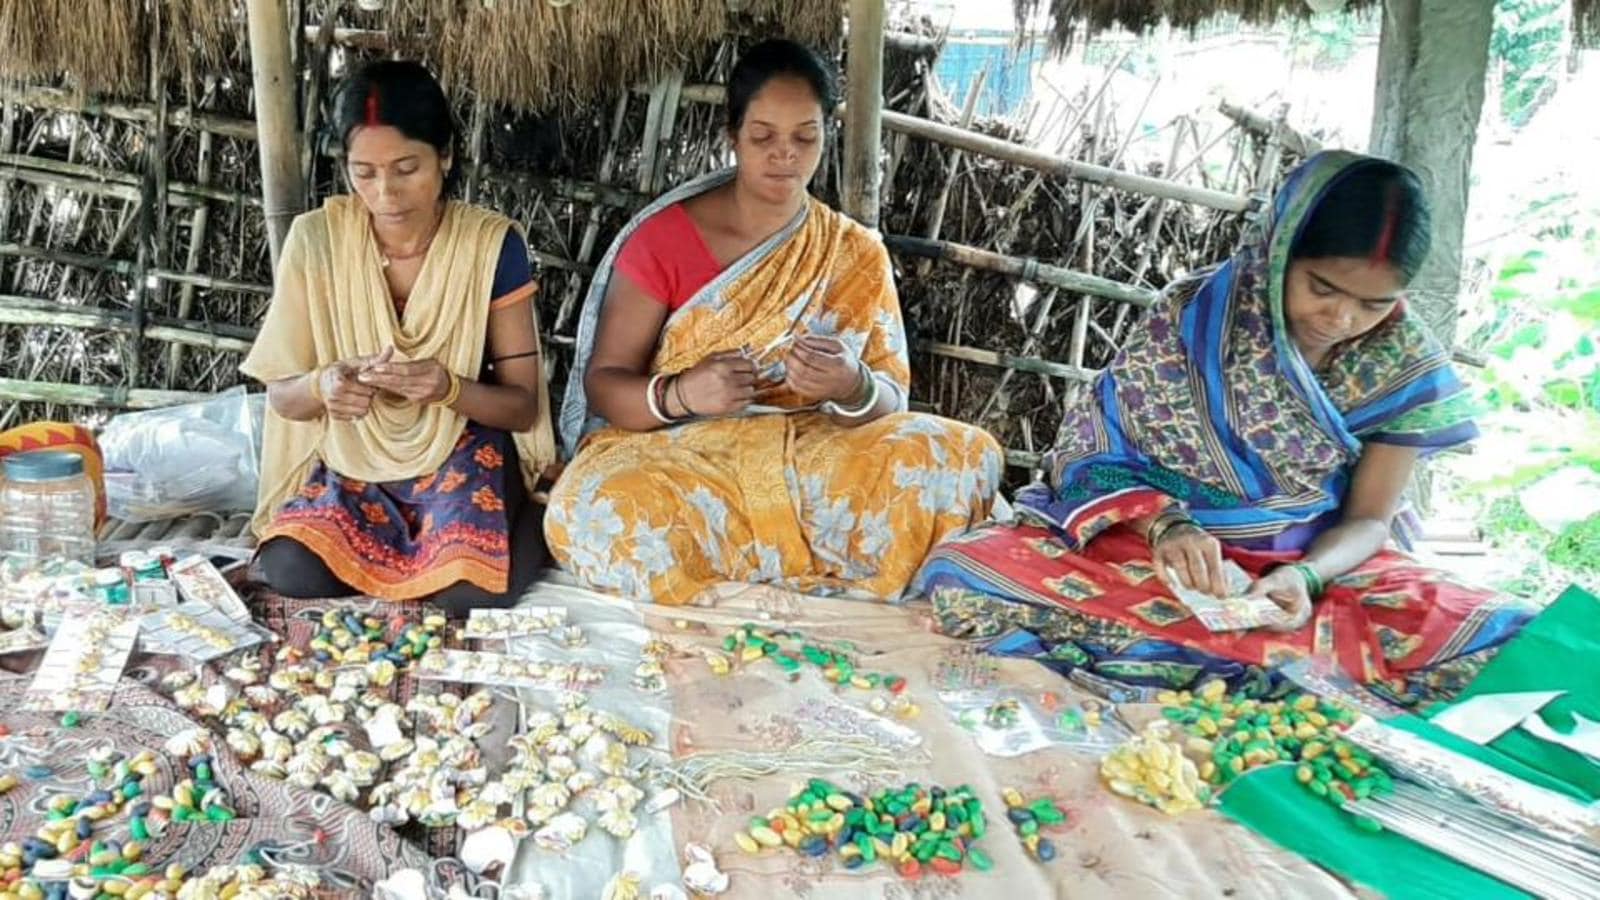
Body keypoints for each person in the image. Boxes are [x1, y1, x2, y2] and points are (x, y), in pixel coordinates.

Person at [914, 151, 1532, 705]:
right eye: (1322, 287)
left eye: (1375, 304)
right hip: (1154, 552)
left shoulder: (1404, 364)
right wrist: (1168, 525)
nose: (1342, 317)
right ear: (1279, 252)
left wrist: (1304, 577)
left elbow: (1370, 521)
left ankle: (1232, 652)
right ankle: (1265, 667)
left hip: (1308, 560)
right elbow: (1093, 452)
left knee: (1502, 634)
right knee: (970, 572)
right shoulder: (1195, 316)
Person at [546, 39, 1002, 606]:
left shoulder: (851, 252)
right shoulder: (663, 240)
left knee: (959, 455)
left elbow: (890, 404)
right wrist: (682, 394)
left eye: (804, 137)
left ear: (825, 136)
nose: (784, 154)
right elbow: (606, 384)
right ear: (732, 135)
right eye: (763, 136)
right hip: (679, 463)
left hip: (810, 459)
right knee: (590, 513)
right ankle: (817, 584)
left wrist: (850, 385)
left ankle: (738, 584)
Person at [242, 61, 558, 614]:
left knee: (469, 589)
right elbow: (283, 398)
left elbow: (521, 406)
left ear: (447, 156)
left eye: (406, 167)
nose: (385, 192)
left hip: (461, 443)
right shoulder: (316, 241)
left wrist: (447, 389)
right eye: (363, 173)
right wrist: (324, 385)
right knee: (291, 568)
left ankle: (531, 515)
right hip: (355, 454)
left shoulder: (490, 246)